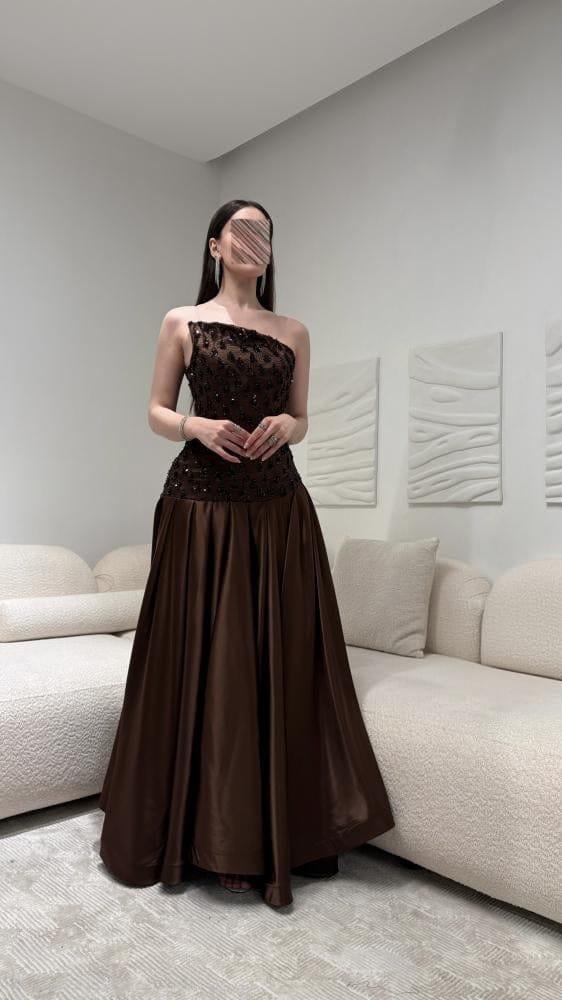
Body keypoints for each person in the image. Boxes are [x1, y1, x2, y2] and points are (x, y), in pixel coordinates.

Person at [98, 198, 395, 908]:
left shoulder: (294, 331)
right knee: (205, 658)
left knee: (278, 658)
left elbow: (302, 417)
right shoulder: (181, 321)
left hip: (279, 510)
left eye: (265, 232)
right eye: (242, 230)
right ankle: (206, 835)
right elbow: (155, 410)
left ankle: (274, 833)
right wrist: (195, 426)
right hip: (200, 507)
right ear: (215, 245)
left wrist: (289, 426)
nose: (254, 241)